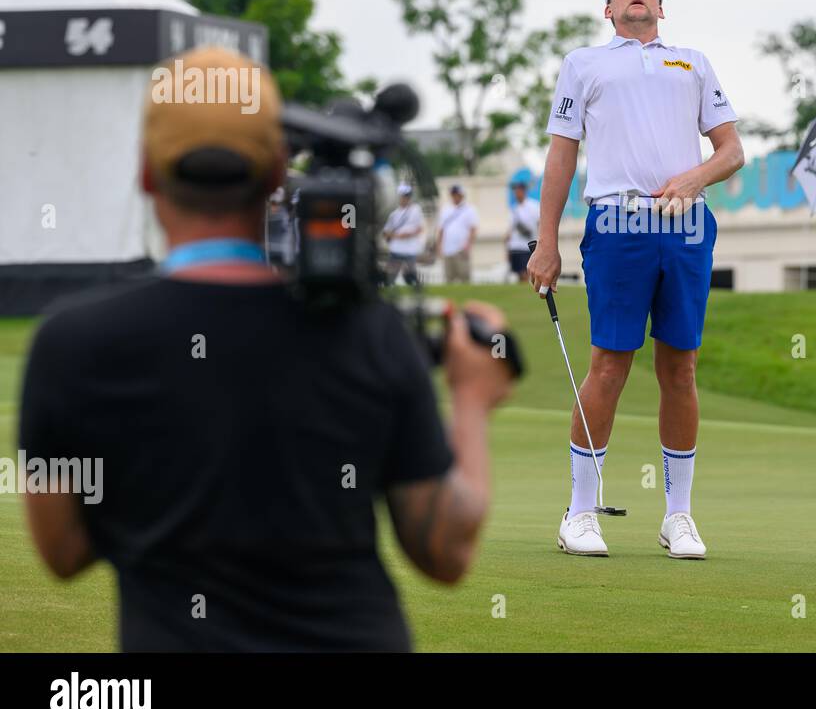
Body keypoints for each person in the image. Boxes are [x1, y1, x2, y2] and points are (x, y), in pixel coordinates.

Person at [19, 46, 514, 651]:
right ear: (279, 172)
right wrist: (471, 396)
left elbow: (62, 550)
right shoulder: (370, 331)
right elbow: (444, 548)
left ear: (147, 174)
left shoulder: (70, 347)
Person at [528, 0, 744, 559]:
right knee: (610, 364)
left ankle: (679, 516)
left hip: (686, 226)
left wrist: (693, 178)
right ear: (609, 8)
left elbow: (731, 152)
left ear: (660, 6)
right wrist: (548, 242)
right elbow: (562, 156)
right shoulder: (585, 64)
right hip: (616, 221)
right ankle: (580, 513)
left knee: (681, 367)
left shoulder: (691, 62)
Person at [383, 183, 427, 287]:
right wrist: (397, 236)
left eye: (407, 196)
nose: (405, 198)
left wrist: (406, 235)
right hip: (396, 249)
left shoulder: (416, 210)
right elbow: (386, 232)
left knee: (411, 277)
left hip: (409, 249)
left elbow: (419, 228)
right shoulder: (394, 214)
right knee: (390, 277)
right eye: (403, 196)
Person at [437, 184, 478, 284]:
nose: (455, 197)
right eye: (453, 195)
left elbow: (473, 229)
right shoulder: (445, 209)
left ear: (462, 195)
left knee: (465, 278)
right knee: (449, 279)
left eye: (457, 195)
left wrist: (468, 245)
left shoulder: (469, 209)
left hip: (461, 249)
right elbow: (441, 230)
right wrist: (439, 246)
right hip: (447, 249)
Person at [505, 179, 540, 283]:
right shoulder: (514, 209)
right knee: (518, 273)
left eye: (519, 190)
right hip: (515, 245)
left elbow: (540, 223)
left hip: (526, 246)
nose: (517, 193)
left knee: (525, 272)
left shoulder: (533, 206)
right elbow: (510, 229)